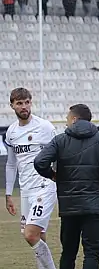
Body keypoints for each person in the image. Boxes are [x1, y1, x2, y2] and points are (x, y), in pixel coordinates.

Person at [33, 104, 99, 269]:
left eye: (67, 118)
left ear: (74, 119)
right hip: (94, 207)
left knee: (68, 253)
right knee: (92, 254)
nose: (66, 122)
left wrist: (53, 175)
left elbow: (39, 162)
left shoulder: (60, 140)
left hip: (69, 207)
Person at [4, 87, 58, 269]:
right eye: (19, 103)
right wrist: (9, 194)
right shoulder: (11, 132)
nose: (24, 106)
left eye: (27, 102)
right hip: (26, 190)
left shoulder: (45, 127)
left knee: (30, 234)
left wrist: (57, 177)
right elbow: (11, 164)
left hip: (45, 186)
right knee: (37, 235)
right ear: (12, 105)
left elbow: (58, 155)